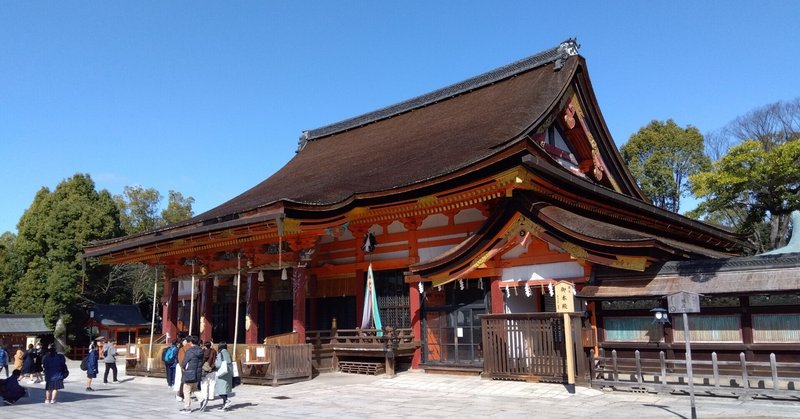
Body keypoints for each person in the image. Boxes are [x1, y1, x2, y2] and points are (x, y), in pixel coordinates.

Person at [179, 336, 203, 413]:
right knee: (194, 388)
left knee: (186, 391)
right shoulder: (201, 350)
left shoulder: (190, 351)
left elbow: (185, 361)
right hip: (197, 373)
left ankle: (187, 407)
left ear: (191, 342)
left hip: (189, 372)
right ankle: (202, 399)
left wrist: (182, 366)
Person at [213, 341, 233, 412]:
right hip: (228, 372)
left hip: (222, 373)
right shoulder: (228, 353)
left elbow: (218, 364)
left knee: (220, 390)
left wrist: (215, 363)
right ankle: (225, 405)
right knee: (225, 390)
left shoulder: (220, 354)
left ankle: (226, 401)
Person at [198, 340, 217, 411]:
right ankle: (211, 396)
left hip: (205, 369)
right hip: (213, 369)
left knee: (204, 384)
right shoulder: (214, 351)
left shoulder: (205, 352)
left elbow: (203, 360)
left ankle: (204, 396)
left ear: (205, 346)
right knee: (212, 383)